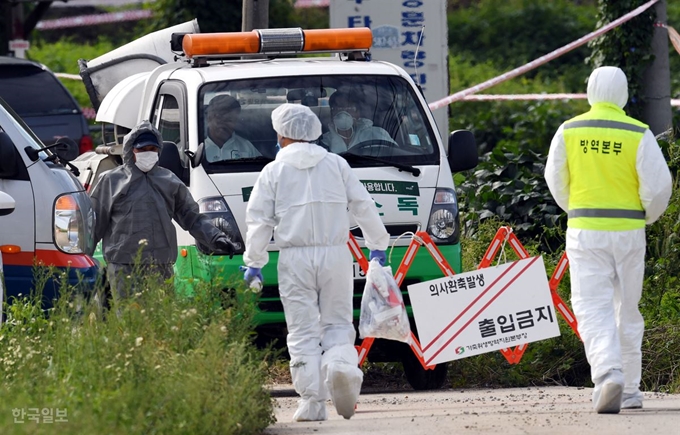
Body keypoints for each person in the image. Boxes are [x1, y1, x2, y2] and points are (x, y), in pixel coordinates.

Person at [243, 103, 389, 421]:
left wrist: (254, 262)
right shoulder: (336, 164)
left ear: (282, 135)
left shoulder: (273, 172)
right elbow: (363, 204)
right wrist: (377, 246)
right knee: (336, 322)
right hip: (336, 254)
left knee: (302, 330)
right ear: (312, 132)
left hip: (294, 259)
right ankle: (339, 364)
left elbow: (259, 221)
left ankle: (311, 402)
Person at [544, 66, 672, 414]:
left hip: (586, 231)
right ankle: (629, 390)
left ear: (589, 91)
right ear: (624, 94)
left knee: (592, 306)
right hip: (629, 232)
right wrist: (645, 215)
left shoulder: (570, 130)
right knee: (627, 309)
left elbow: (555, 179)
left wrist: (576, 208)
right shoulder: (638, 132)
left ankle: (607, 372)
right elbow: (659, 187)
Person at [90, 121, 238, 301]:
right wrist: (82, 260)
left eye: (152, 149)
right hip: (123, 266)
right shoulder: (112, 181)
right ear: (131, 151)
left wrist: (216, 238)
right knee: (130, 319)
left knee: (160, 320)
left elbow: (192, 217)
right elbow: (95, 224)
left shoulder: (169, 181)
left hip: (160, 265)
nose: (148, 153)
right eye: (142, 149)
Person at [321, 89, 396, 153]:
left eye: (349, 108)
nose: (343, 113)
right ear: (331, 113)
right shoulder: (324, 142)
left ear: (358, 113)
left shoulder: (377, 134)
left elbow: (395, 154)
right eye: (337, 109)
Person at [204, 94, 260, 162]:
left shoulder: (246, 147)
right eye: (219, 118)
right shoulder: (197, 147)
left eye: (229, 120)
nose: (223, 124)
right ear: (209, 118)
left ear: (236, 121)